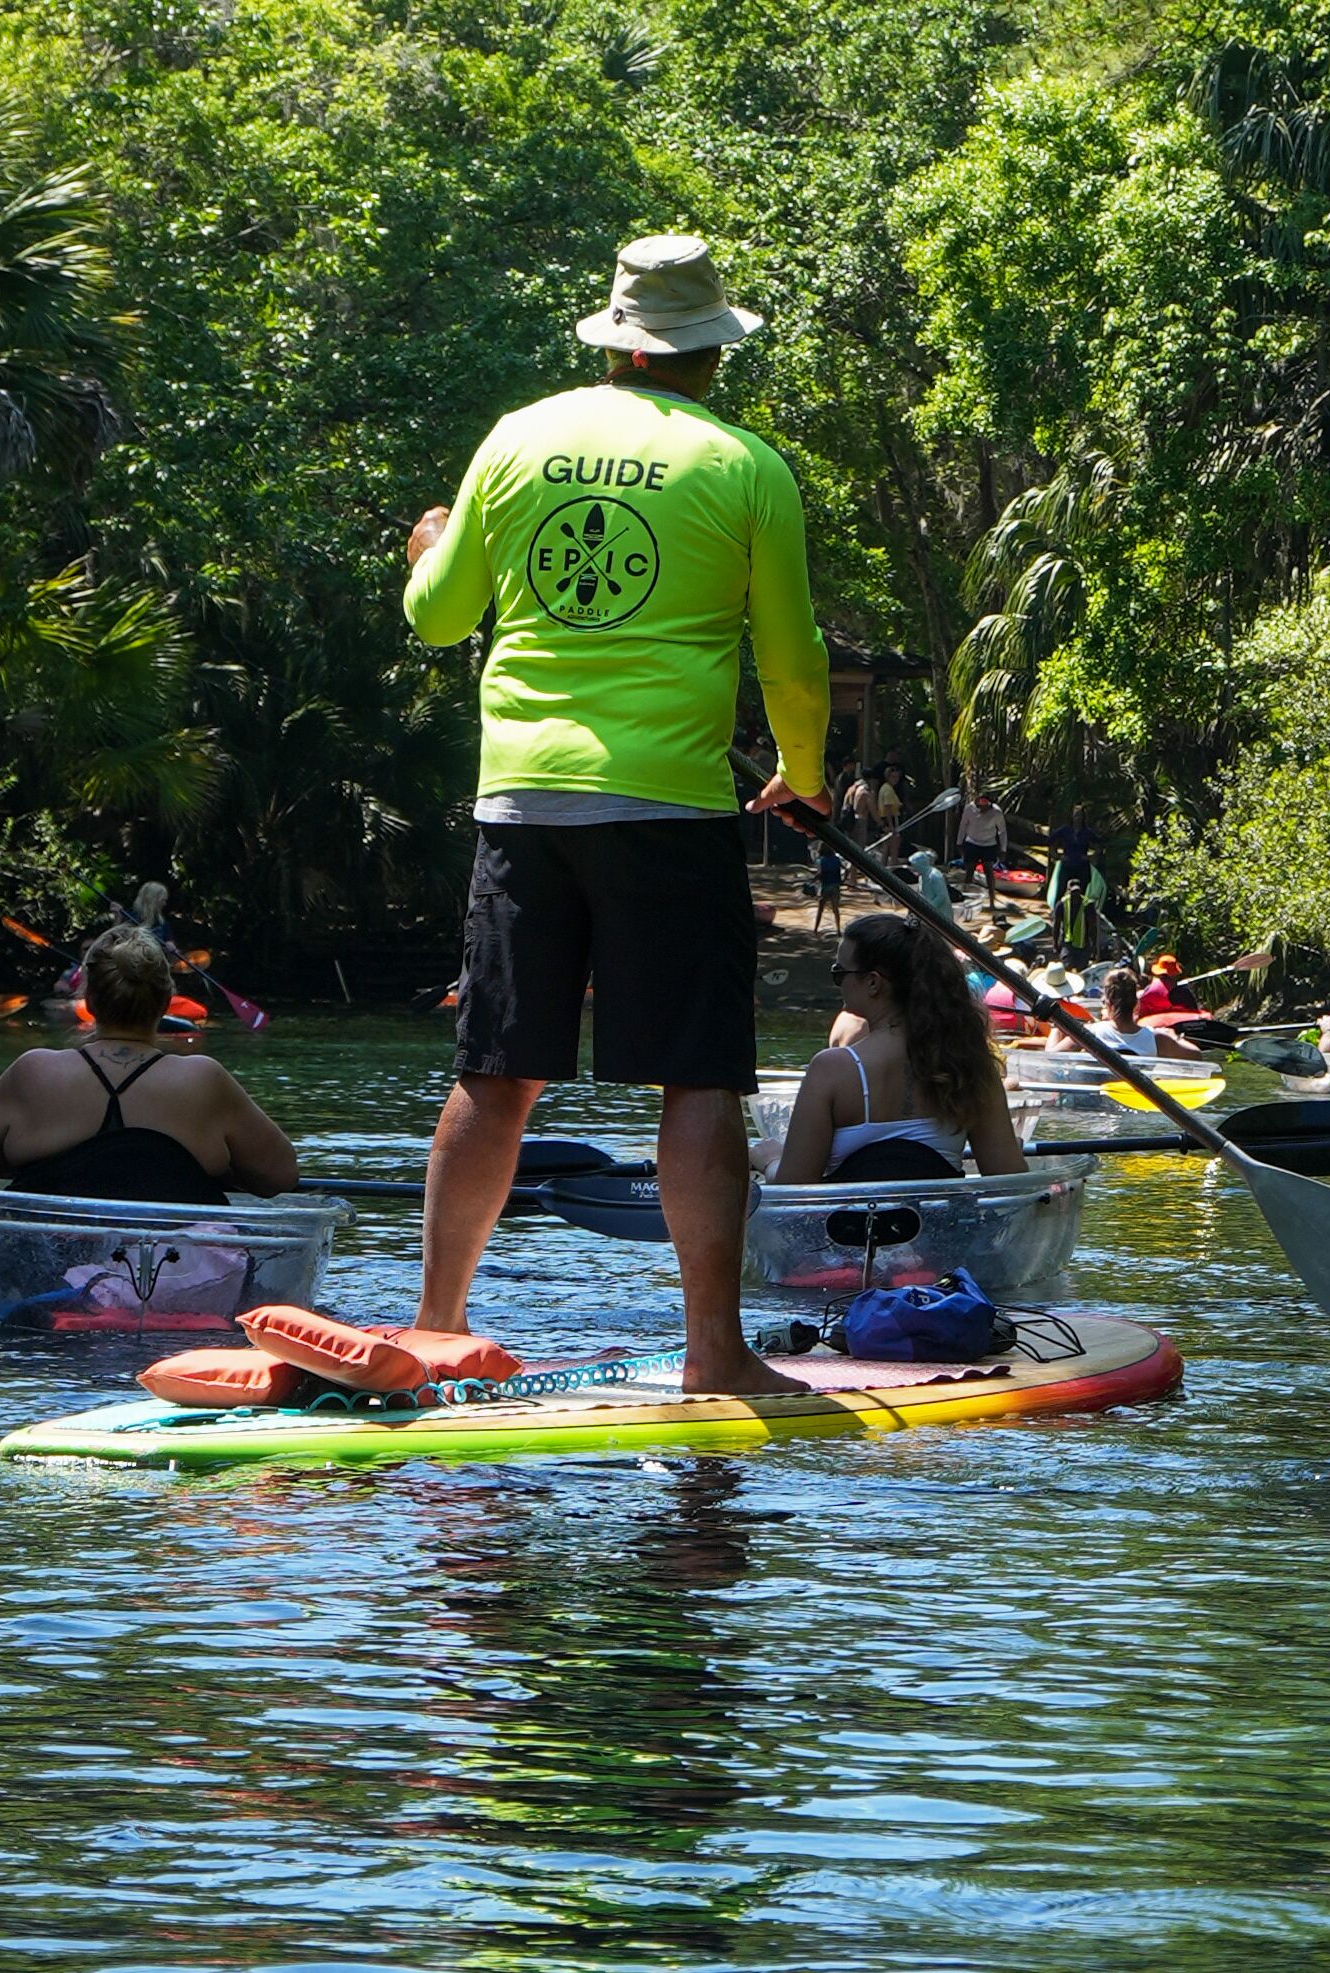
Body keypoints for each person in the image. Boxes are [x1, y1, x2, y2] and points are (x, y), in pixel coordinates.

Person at [400, 232, 830, 1395]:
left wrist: (429, 547)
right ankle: (713, 1354)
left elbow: (438, 621)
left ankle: (437, 1325)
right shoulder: (748, 465)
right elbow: (792, 659)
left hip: (522, 801)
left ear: (615, 341)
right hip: (669, 807)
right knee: (695, 1079)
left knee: (496, 1072)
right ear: (710, 354)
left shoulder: (516, 436)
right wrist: (801, 767)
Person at [0, 927, 295, 1205]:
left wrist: (31, 1158)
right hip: (177, 1278)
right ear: (164, 1003)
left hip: (49, 1268)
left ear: (90, 1001)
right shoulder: (204, 1080)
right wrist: (215, 1170)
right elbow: (280, 1176)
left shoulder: (34, 1071)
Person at [766, 913, 1027, 1183]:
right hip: (942, 1223)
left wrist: (770, 1160)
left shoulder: (831, 1070)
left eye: (839, 974)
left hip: (852, 1224)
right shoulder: (968, 1063)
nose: (838, 984)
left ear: (873, 982)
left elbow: (793, 1186)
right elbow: (1007, 1179)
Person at [1043, 966, 1202, 1059]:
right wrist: (1173, 1037)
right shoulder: (1158, 1038)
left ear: (1106, 1003)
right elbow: (1196, 1056)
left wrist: (1056, 1027)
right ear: (1137, 1004)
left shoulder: (1089, 1034)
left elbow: (1050, 1058)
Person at [956, 784, 1008, 877]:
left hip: (989, 844)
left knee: (988, 870)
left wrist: (1003, 849)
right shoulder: (969, 809)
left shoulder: (996, 812)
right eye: (981, 804)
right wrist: (959, 842)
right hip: (972, 841)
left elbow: (1002, 831)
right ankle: (968, 888)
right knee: (969, 869)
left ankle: (991, 891)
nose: (983, 808)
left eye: (986, 804)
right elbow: (963, 826)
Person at [810, 844, 844, 936]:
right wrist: (842, 880)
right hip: (835, 886)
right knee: (835, 909)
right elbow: (846, 870)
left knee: (820, 909)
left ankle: (815, 930)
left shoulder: (821, 860)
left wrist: (813, 880)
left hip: (825, 886)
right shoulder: (836, 859)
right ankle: (838, 930)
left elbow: (820, 874)